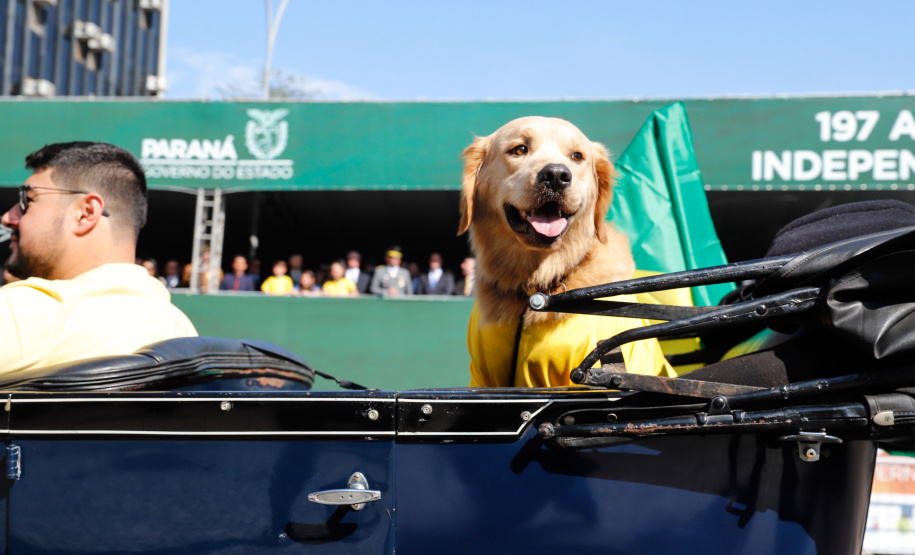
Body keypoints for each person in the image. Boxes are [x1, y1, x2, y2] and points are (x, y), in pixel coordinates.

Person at [0, 141, 197, 376]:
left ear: (87, 213)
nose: (7, 217)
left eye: (28, 200)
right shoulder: (180, 327)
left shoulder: (24, 312)